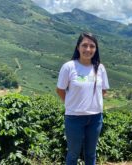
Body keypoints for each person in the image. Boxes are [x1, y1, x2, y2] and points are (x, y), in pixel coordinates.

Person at [56, 32, 109, 165]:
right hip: (74, 118)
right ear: (78, 47)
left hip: (96, 118)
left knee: (91, 154)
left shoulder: (100, 68)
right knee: (73, 154)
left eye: (92, 46)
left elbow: (103, 90)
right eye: (84, 45)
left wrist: (92, 104)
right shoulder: (69, 67)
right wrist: (71, 104)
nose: (88, 49)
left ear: (96, 49)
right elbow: (60, 90)